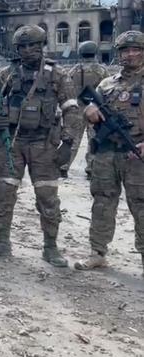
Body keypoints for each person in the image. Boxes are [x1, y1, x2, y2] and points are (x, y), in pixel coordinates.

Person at [0, 25, 78, 267]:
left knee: (47, 197)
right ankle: (2, 242)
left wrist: (68, 142)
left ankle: (50, 247)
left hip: (44, 144)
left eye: (32, 45)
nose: (27, 50)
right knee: (3, 194)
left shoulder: (57, 74)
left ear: (42, 45)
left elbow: (72, 110)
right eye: (22, 46)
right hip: (12, 143)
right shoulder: (7, 75)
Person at [74, 30, 144, 276]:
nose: (130, 54)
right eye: (125, 50)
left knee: (141, 206)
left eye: (136, 50)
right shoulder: (107, 83)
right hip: (105, 154)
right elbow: (88, 106)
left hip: (136, 154)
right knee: (102, 203)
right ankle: (97, 253)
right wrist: (90, 109)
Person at [60, 41, 110, 178]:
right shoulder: (101, 70)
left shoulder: (74, 70)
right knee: (94, 138)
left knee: (73, 140)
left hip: (77, 108)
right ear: (95, 52)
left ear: (81, 52)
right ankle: (91, 169)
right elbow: (107, 90)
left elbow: (66, 88)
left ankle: (63, 166)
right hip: (95, 109)